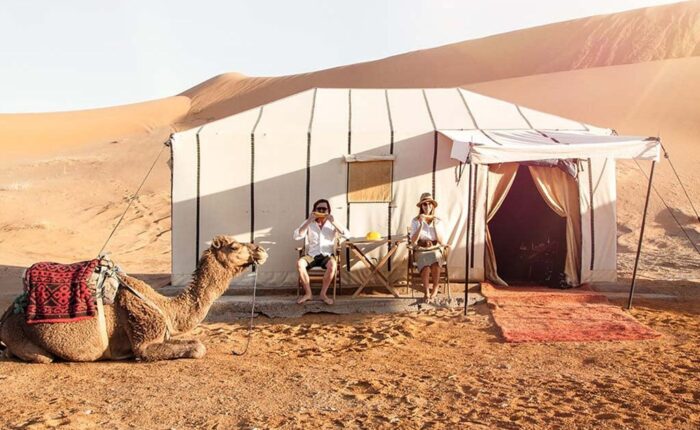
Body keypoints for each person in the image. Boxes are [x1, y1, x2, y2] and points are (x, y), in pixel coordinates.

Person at [293, 199, 350, 305]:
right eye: (319, 209)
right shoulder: (309, 222)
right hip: (312, 255)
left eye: (324, 209)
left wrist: (334, 222)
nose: (322, 211)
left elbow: (347, 235)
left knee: (333, 264)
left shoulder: (332, 223)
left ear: (328, 211)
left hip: (326, 255)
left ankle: (323, 294)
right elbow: (297, 236)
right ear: (314, 210)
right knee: (299, 263)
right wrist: (309, 221)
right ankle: (308, 293)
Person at [409, 192, 447, 302]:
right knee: (425, 262)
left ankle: (435, 288)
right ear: (421, 206)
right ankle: (426, 291)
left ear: (433, 206)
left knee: (435, 258)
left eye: (430, 204)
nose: (427, 207)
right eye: (425, 204)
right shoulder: (415, 220)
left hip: (435, 247)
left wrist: (434, 225)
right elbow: (413, 240)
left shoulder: (438, 221)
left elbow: (441, 240)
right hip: (421, 248)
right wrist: (421, 225)